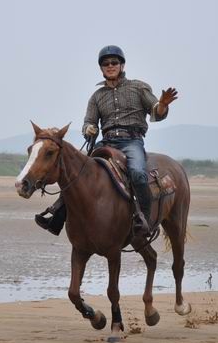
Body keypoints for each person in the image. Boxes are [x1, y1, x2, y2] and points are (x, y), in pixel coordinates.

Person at [35, 45, 178, 237]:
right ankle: (57, 217)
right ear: (101, 68)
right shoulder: (97, 97)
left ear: (122, 65)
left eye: (114, 62)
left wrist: (162, 105)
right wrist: (89, 128)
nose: (110, 66)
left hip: (132, 142)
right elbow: (88, 122)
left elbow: (156, 112)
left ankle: (143, 220)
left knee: (137, 173)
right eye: (105, 63)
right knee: (77, 172)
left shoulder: (139, 87)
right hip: (106, 142)